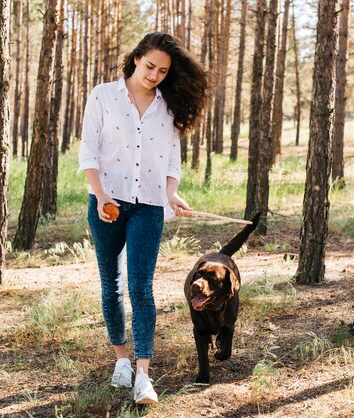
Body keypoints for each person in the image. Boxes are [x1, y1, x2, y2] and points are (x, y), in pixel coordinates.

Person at [78, 32, 208, 404]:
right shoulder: (103, 95)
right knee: (111, 284)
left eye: (163, 71)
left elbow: (171, 159)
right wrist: (100, 194)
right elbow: (88, 149)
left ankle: (143, 375)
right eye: (150, 66)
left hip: (149, 206)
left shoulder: (167, 107)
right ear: (136, 58)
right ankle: (121, 359)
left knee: (141, 287)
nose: (154, 75)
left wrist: (171, 192)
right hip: (107, 203)